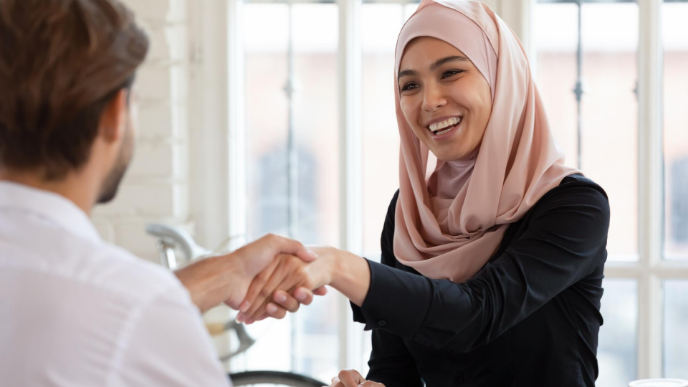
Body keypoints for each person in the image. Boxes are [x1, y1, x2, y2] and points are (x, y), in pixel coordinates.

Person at [239, 1, 611, 386]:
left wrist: (339, 266)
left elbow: (475, 315)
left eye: (450, 72)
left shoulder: (572, 206)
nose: (429, 101)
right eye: (410, 85)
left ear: (502, 79)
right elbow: (394, 370)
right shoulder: (411, 214)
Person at [0, 0, 320, 385]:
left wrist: (226, 272)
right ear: (115, 113)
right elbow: (117, 312)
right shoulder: (137, 313)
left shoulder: (117, 302)